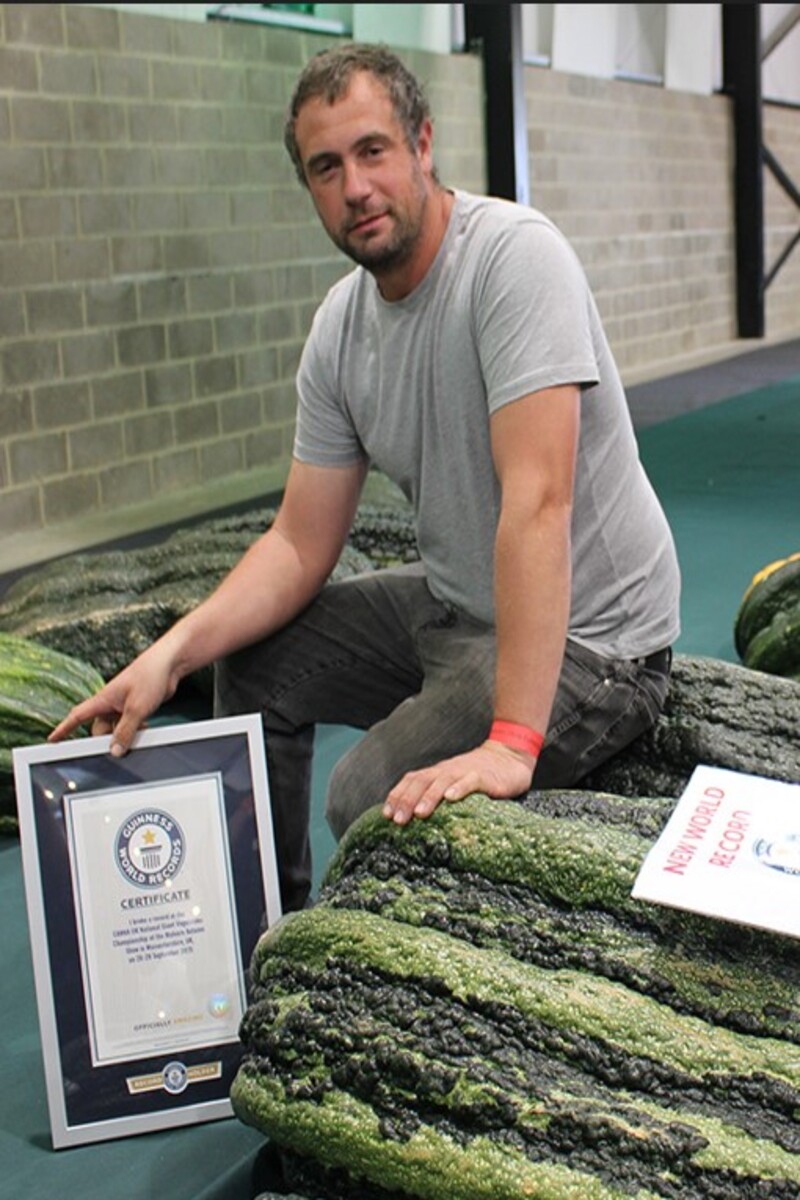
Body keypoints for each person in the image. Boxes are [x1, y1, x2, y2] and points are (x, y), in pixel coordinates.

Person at [51, 42, 681, 913]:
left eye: (373, 151)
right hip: (464, 607)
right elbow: (299, 542)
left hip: (594, 641)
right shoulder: (340, 332)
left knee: (365, 800)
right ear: (308, 186)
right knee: (256, 666)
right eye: (326, 167)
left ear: (423, 144)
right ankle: (271, 938)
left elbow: (539, 504)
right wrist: (169, 654)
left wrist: (511, 743)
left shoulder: (515, 262)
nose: (355, 187)